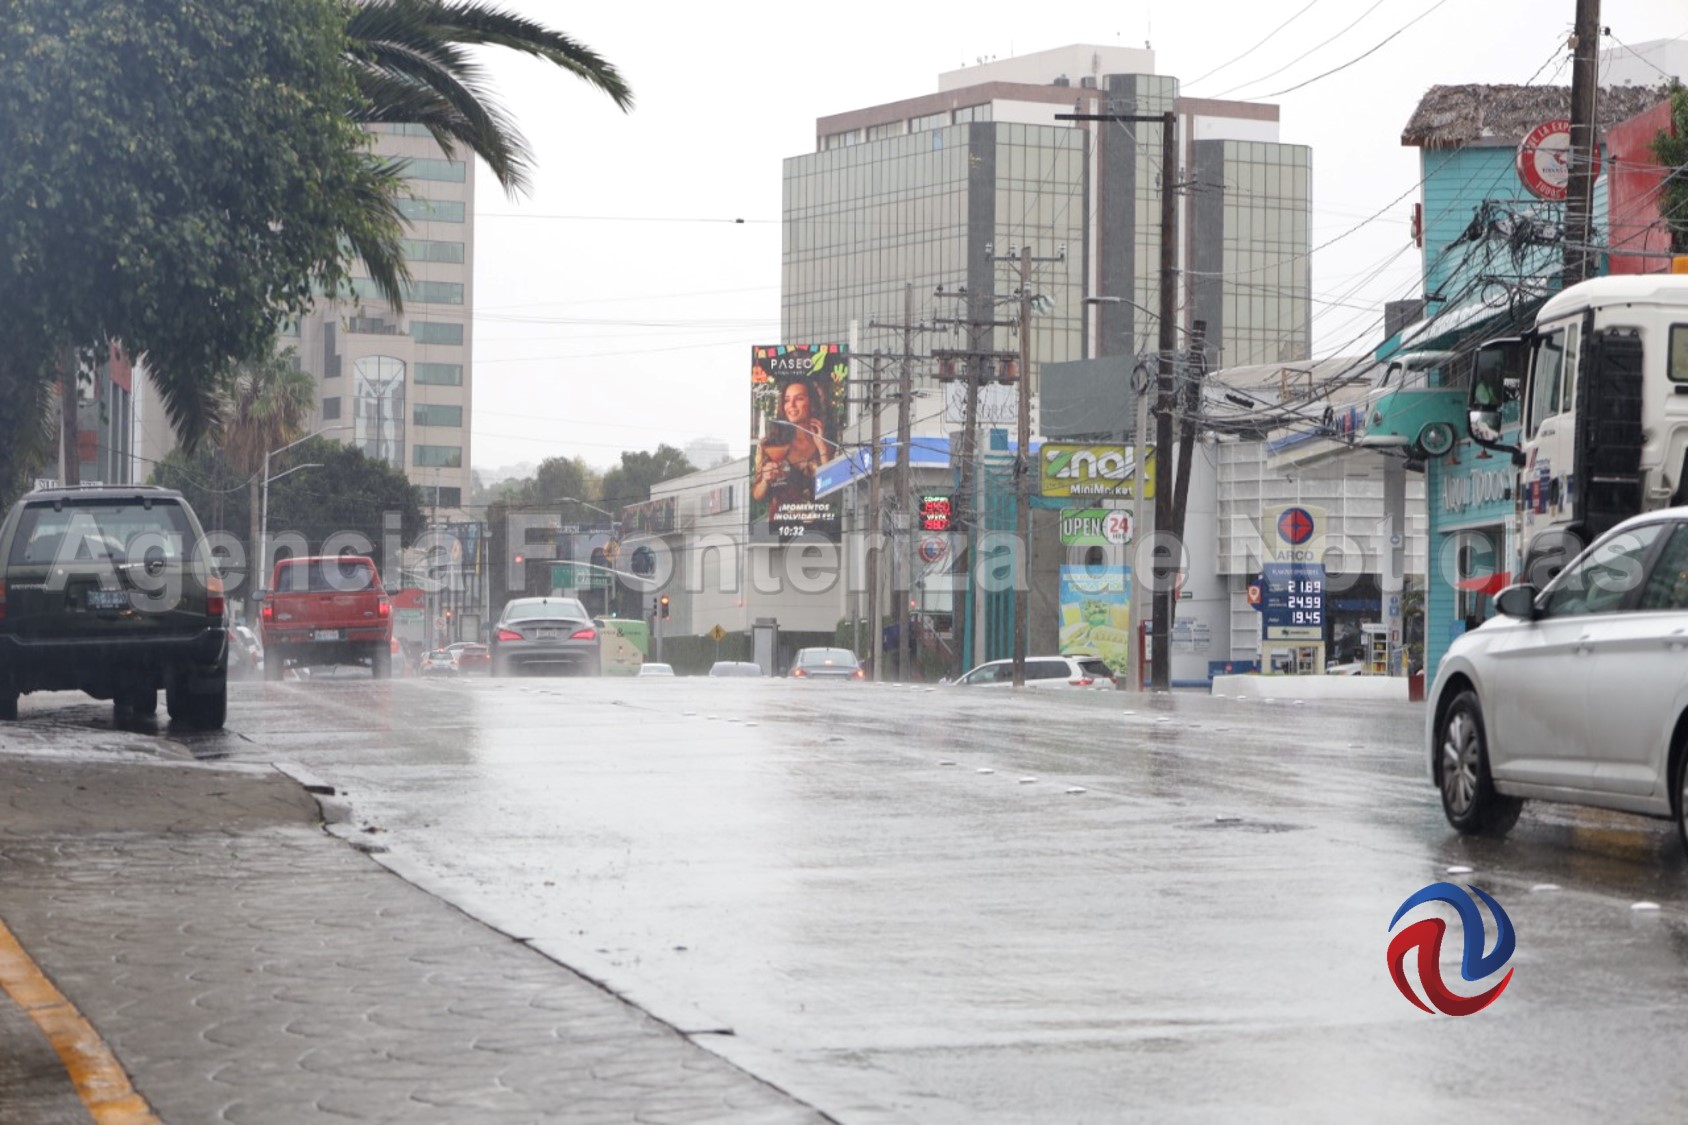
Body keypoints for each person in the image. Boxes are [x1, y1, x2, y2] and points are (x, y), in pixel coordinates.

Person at [752, 376, 833, 519]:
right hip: (779, 529)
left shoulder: (828, 444)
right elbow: (757, 495)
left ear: (812, 403)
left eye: (799, 398)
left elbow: (832, 490)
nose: (792, 405)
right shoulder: (772, 444)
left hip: (819, 528)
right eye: (787, 400)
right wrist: (765, 479)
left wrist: (822, 448)